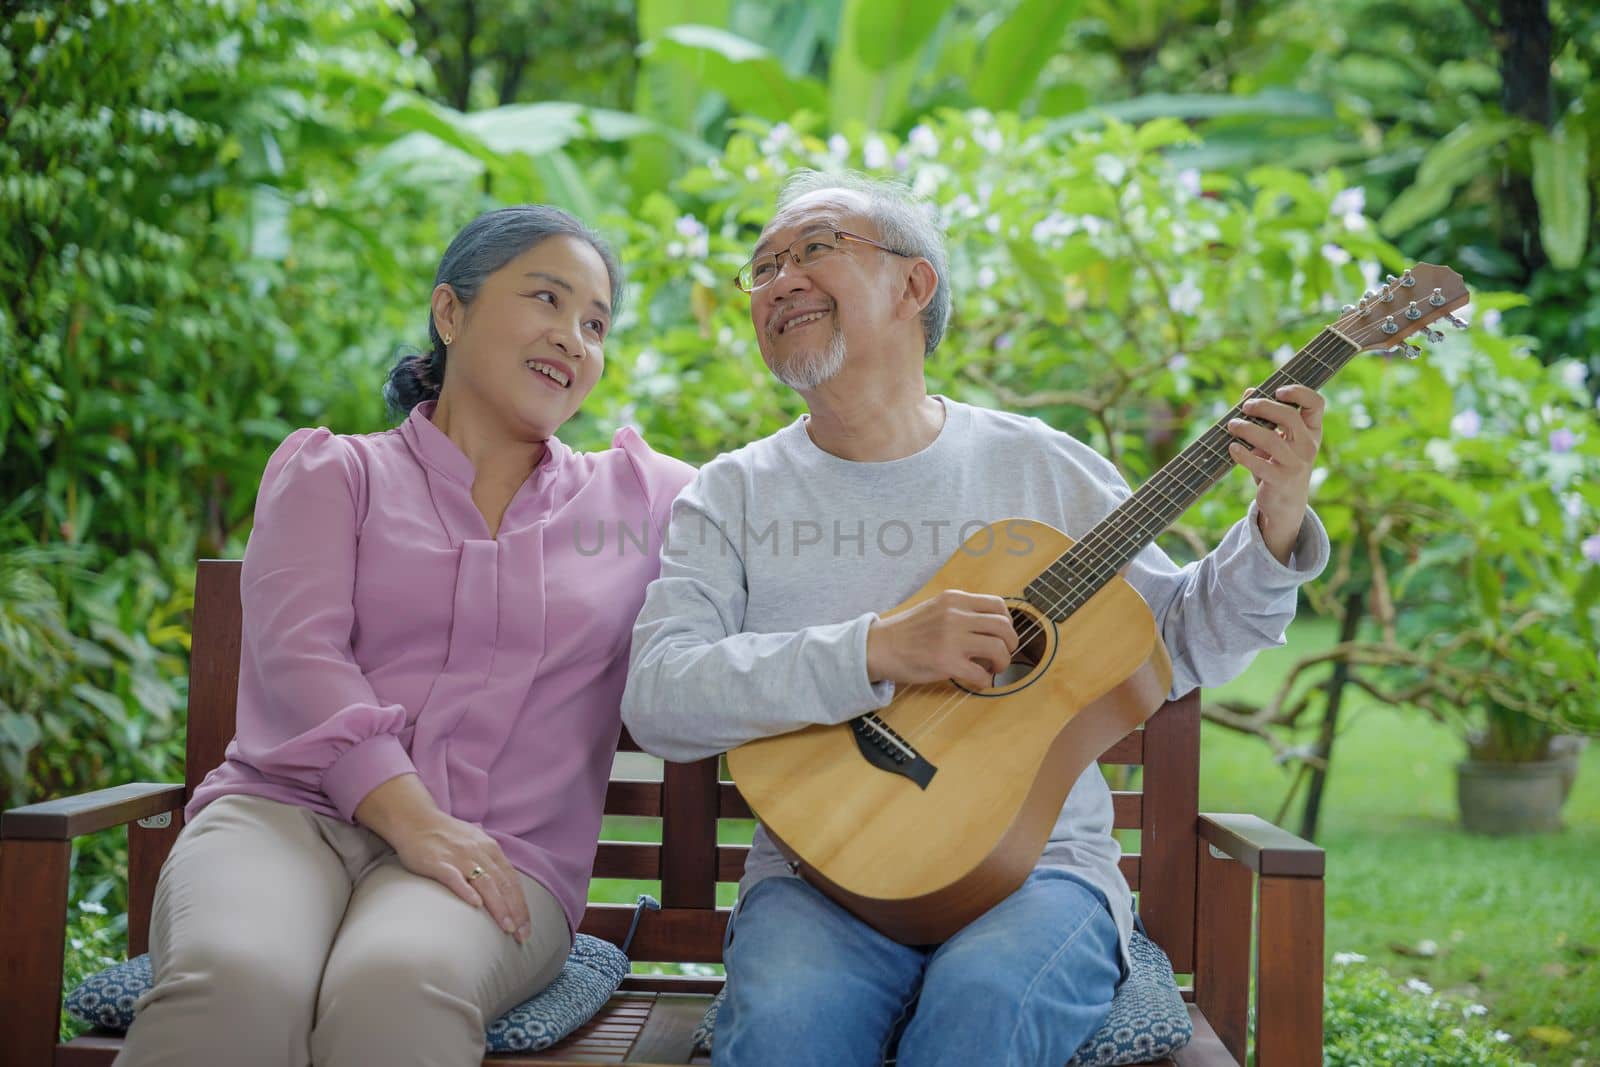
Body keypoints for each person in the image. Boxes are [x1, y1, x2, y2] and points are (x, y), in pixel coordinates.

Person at [621, 171, 1330, 1067]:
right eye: (762, 268)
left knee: (981, 1013)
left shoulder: (1039, 466)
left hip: (1038, 880)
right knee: (785, 1037)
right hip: (819, 883)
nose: (779, 281)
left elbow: (1185, 637)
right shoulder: (733, 494)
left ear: (914, 285)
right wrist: (880, 647)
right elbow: (659, 695)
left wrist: (1277, 513)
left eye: (813, 250)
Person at [117, 205, 694, 1067]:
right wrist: (414, 817)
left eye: (596, 322)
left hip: (504, 855)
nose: (573, 337)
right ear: (450, 312)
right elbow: (303, 657)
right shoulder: (334, 473)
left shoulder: (641, 500)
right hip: (285, 816)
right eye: (546, 298)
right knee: (237, 976)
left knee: (396, 982)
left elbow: (795, 516)